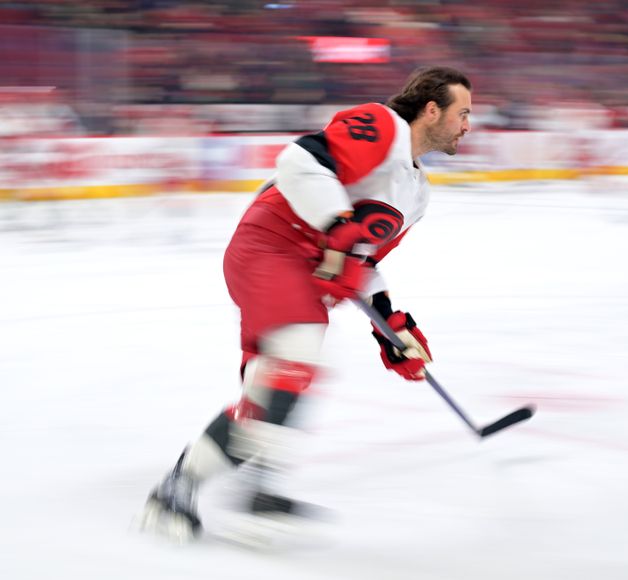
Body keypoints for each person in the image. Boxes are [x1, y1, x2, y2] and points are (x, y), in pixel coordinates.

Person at [139, 66, 473, 542]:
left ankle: (256, 489)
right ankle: (176, 489)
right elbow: (298, 161)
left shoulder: (416, 194)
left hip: (306, 268)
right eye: (463, 112)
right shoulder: (382, 126)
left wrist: (393, 330)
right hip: (271, 244)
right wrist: (337, 224)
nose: (467, 125)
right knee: (294, 362)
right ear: (431, 109)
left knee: (283, 381)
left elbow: (362, 262)